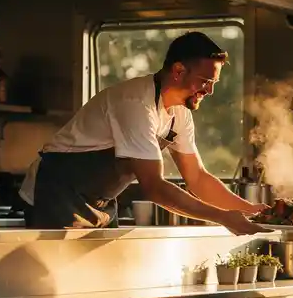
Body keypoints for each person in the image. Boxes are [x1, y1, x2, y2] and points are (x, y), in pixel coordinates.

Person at [18, 32, 267, 234]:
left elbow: (198, 178)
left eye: (214, 83)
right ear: (178, 70)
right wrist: (222, 218)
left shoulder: (179, 114)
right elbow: (154, 187)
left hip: (99, 203)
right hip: (56, 194)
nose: (210, 91)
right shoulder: (135, 103)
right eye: (205, 81)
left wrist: (252, 210)